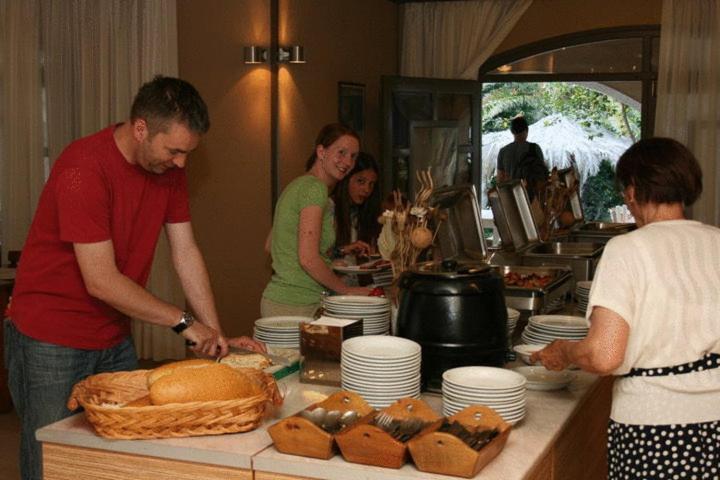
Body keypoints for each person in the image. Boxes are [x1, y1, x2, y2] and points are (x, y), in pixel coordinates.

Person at [4, 76, 263, 480]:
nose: (181, 163)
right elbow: (102, 281)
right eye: (174, 150)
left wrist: (212, 331)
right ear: (141, 128)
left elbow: (185, 252)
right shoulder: (82, 167)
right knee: (53, 462)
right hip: (49, 337)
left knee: (123, 463)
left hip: (112, 335)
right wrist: (184, 323)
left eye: (187, 153)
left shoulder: (170, 170)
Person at [531, 138, 720, 479]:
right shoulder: (716, 242)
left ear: (633, 191)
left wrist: (565, 352)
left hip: (655, 430)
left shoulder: (627, 249)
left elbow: (604, 355)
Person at [261, 124, 371, 318]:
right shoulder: (315, 189)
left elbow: (270, 245)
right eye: (341, 152)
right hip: (298, 303)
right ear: (321, 151)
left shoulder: (296, 185)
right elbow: (308, 259)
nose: (347, 162)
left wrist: (329, 260)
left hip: (280, 300)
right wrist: (346, 290)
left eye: (353, 156)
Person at [331, 152, 382, 260]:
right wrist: (344, 250)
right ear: (346, 179)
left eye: (371, 184)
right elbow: (315, 255)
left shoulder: (363, 212)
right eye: (361, 181)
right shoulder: (329, 207)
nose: (367, 190)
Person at [496, 116, 547, 200]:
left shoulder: (503, 151)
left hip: (512, 197)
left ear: (512, 132)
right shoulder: (534, 148)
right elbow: (542, 175)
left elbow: (500, 180)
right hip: (532, 198)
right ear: (527, 130)